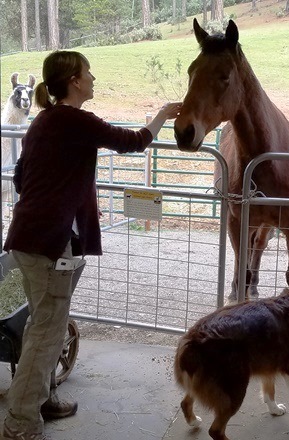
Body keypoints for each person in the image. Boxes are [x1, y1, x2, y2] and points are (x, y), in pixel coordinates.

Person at [1, 50, 181, 440]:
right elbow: (132, 141)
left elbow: (19, 179)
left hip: (28, 238)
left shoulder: (45, 122)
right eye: (89, 72)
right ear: (76, 81)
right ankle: (19, 422)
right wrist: (163, 115)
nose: (94, 77)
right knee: (45, 333)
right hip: (48, 244)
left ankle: (42, 399)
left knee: (42, 325)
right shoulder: (74, 121)